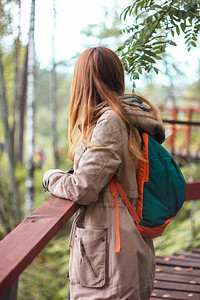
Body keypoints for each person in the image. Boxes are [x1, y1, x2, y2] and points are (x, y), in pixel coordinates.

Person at [43, 46, 165, 300]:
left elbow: (83, 188)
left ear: (84, 83)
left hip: (112, 258)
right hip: (124, 247)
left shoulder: (111, 121)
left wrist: (51, 177)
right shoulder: (128, 119)